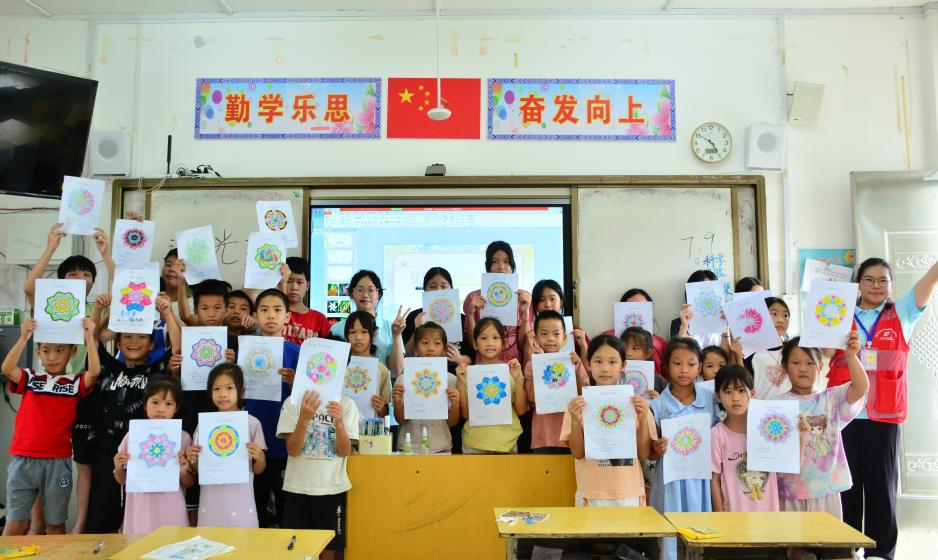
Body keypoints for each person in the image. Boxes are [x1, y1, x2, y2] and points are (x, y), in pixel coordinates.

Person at [827, 257, 938, 560]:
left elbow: (930, 279)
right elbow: (821, 352)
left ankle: (881, 553)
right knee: (845, 487)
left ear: (891, 285)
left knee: (882, 487)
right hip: (843, 413)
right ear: (858, 284)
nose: (876, 285)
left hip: (884, 414)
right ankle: (846, 549)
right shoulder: (837, 313)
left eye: (882, 280)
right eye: (869, 279)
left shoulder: (903, 312)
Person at [23, 223, 114, 534]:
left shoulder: (95, 309)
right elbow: (29, 289)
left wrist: (105, 253)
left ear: (93, 282)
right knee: (42, 459)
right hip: (48, 394)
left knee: (84, 462)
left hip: (83, 390)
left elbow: (128, 298)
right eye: (73, 274)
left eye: (86, 274)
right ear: (62, 280)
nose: (80, 279)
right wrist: (51, 247)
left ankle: (81, 522)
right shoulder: (50, 306)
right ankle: (36, 524)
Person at [83, 293, 180, 534]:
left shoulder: (157, 372)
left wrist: (167, 313)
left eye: (141, 337)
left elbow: (177, 348)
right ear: (117, 343)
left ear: (152, 345)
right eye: (127, 336)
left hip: (145, 450)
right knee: (103, 508)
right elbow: (91, 338)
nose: (134, 341)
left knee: (139, 511)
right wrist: (103, 311)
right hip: (107, 447)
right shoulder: (108, 367)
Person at [1, 318, 99, 536]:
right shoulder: (29, 377)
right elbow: (7, 368)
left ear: (73, 351)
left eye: (60, 350)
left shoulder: (74, 383)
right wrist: (23, 337)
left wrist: (90, 338)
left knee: (55, 524)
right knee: (16, 523)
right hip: (23, 459)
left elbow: (94, 372)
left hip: (58, 461)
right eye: (46, 350)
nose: (52, 357)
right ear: (38, 353)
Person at [778, 336, 868, 560]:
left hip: (826, 491)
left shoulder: (831, 399)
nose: (803, 369)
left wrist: (850, 356)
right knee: (795, 549)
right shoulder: (775, 406)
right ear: (784, 367)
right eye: (795, 362)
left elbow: (861, 387)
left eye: (809, 363)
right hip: (789, 492)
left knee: (833, 548)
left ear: (819, 366)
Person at [648, 337, 720, 560]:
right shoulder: (657, 404)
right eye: (677, 363)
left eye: (691, 364)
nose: (684, 370)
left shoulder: (711, 399)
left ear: (700, 366)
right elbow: (651, 451)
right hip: (671, 480)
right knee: (670, 533)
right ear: (667, 366)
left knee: (701, 532)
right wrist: (657, 447)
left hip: (702, 479)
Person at [561, 335, 653, 507]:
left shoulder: (638, 405)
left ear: (623, 365)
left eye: (612, 362)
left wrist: (642, 418)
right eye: (598, 361)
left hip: (629, 490)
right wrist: (575, 420)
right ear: (588, 363)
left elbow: (643, 454)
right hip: (591, 491)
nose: (605, 368)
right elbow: (578, 453)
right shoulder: (577, 405)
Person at [277, 383, 360, 560]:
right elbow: (292, 449)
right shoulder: (293, 402)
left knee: (330, 546)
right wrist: (304, 419)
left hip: (332, 488)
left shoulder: (346, 404)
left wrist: (339, 424)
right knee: (298, 547)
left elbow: (344, 451)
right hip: (298, 488)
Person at [243, 288, 300, 527]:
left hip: (283, 440)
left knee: (286, 508)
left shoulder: (297, 353)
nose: (271, 315)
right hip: (251, 439)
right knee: (254, 506)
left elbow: (308, 398)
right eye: (264, 310)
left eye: (277, 310)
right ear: (255, 316)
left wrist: (295, 382)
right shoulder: (242, 351)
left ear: (287, 316)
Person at [187, 364, 267, 527]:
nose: (223, 394)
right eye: (216, 389)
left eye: (229, 388)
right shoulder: (204, 425)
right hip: (211, 501)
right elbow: (199, 470)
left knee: (243, 539)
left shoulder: (252, 423)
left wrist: (260, 458)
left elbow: (259, 470)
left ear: (241, 391)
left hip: (241, 500)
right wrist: (192, 458)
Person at [114, 375, 194, 534]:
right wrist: (118, 466)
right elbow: (121, 480)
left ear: (176, 407)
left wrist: (183, 470)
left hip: (171, 509)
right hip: (140, 510)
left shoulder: (184, 438)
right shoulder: (132, 436)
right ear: (145, 404)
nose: (161, 409)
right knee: (140, 545)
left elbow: (189, 483)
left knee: (172, 544)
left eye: (168, 403)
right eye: (155, 402)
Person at [711, 365, 785, 512]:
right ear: (718, 397)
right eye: (728, 392)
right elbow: (714, 479)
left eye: (741, 391)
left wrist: (801, 436)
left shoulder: (767, 429)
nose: (735, 398)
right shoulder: (717, 434)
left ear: (752, 393)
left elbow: (787, 464)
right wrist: (720, 517)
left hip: (769, 514)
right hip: (734, 517)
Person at [458, 318, 528, 454]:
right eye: (483, 338)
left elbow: (521, 410)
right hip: (475, 442)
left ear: (503, 343)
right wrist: (460, 382)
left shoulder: (512, 371)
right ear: (475, 343)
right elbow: (465, 414)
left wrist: (517, 379)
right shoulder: (467, 374)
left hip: (507, 441)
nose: (490, 343)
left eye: (495, 337)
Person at [522, 310, 589, 453]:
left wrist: (578, 368)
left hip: (571, 433)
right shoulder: (531, 365)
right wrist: (540, 364)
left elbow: (582, 395)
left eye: (556, 334)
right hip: (543, 435)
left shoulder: (573, 361)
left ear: (564, 338)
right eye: (544, 334)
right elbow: (532, 398)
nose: (550, 338)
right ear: (536, 338)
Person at [392, 323, 461, 453]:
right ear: (416, 347)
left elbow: (452, 422)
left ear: (444, 349)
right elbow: (400, 420)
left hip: (440, 447)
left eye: (437, 343)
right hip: (408, 447)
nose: (431, 348)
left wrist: (456, 403)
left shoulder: (451, 380)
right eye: (425, 343)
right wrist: (397, 402)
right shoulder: (403, 379)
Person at [463, 241, 532, 363]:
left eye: (506, 261)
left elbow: (523, 344)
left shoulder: (524, 298)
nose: (501, 267)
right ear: (488, 266)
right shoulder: (473, 298)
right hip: (483, 366)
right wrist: (469, 314)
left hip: (513, 366)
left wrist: (526, 312)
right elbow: (473, 344)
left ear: (512, 266)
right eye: (495, 261)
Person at [329, 270, 405, 377]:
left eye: (371, 290)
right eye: (360, 290)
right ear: (351, 293)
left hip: (380, 386)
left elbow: (396, 371)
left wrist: (396, 336)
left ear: (378, 294)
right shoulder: (336, 329)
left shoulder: (390, 327)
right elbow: (330, 365)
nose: (365, 295)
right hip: (345, 386)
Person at [401, 267, 472, 367]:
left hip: (454, 374)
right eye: (432, 286)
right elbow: (406, 356)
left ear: (451, 289)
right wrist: (417, 329)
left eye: (443, 286)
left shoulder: (461, 319)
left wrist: (459, 359)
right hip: (422, 372)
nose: (438, 290)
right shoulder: (414, 317)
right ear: (425, 290)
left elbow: (471, 357)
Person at [526, 279, 588, 365]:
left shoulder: (576, 333)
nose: (548, 304)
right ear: (535, 305)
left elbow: (589, 369)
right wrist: (528, 346)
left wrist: (583, 345)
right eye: (541, 300)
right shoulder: (531, 335)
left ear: (561, 302)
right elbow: (526, 369)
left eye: (552, 299)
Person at [744, 296, 795, 399]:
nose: (781, 320)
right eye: (774, 314)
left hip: (791, 407)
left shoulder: (793, 351)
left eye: (785, 315)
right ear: (760, 317)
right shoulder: (751, 354)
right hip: (761, 408)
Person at [610, 288, 668, 375]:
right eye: (631, 306)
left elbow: (666, 374)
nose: (635, 311)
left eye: (642, 307)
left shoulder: (659, 343)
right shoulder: (609, 338)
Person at [345, 310, 391, 418]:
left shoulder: (381, 370)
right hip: (340, 424)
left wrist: (380, 407)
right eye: (352, 332)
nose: (358, 337)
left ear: (373, 335)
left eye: (364, 332)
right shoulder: (340, 364)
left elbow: (385, 412)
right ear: (346, 335)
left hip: (368, 426)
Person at [671, 270, 727, 352]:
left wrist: (725, 327)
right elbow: (675, 356)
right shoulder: (678, 324)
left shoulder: (725, 322)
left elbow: (727, 357)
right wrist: (684, 326)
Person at [280, 257, 330, 345]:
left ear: (307, 285)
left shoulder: (319, 319)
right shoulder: (275, 314)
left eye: (300, 282)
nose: (294, 287)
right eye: (289, 281)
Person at [620, 327, 667, 397]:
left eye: (635, 348)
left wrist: (659, 400)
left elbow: (670, 402)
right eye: (624, 348)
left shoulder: (658, 381)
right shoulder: (615, 377)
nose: (628, 353)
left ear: (648, 353)